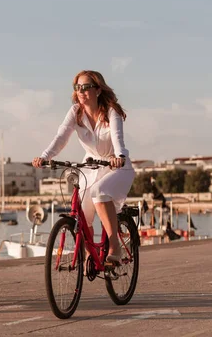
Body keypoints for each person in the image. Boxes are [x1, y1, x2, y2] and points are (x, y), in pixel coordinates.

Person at [32, 70, 135, 264]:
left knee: (99, 192)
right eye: (78, 87)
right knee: (83, 217)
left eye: (86, 87)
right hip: (92, 166)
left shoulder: (111, 111)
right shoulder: (75, 112)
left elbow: (117, 138)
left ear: (97, 90)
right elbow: (61, 137)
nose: (81, 91)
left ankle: (114, 245)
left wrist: (119, 156)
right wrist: (45, 157)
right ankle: (90, 257)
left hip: (116, 166)